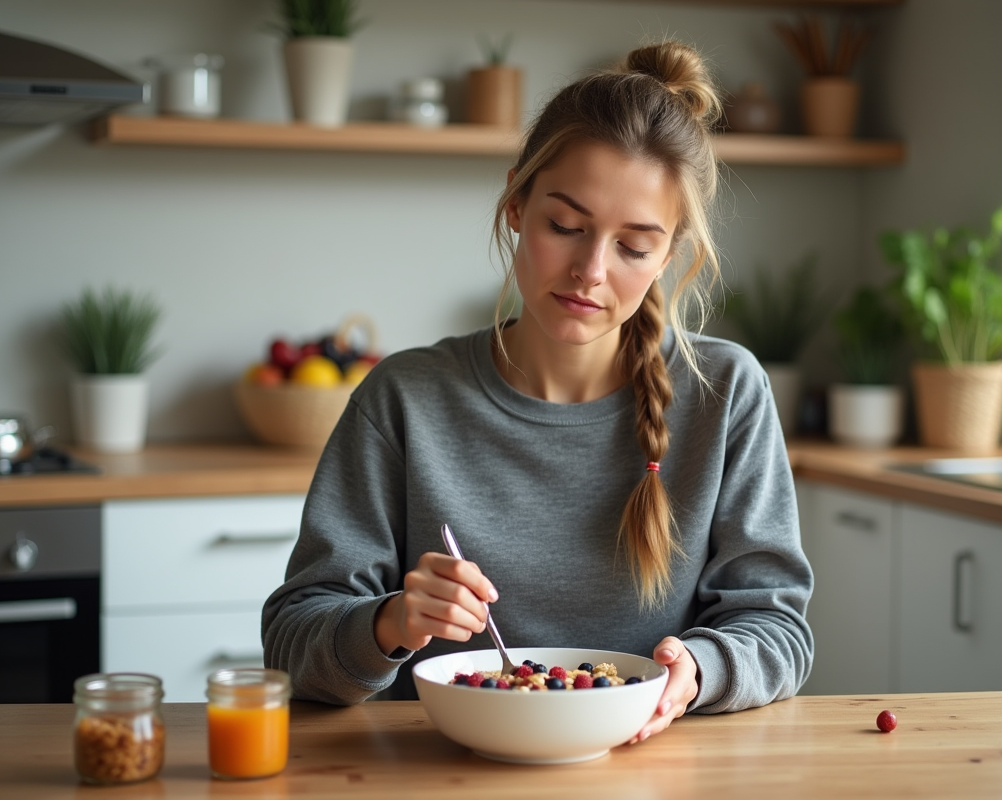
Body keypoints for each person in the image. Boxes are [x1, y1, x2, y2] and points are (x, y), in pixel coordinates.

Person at [263, 39, 813, 744]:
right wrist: (390, 621)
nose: (590, 269)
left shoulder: (727, 393)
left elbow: (778, 630)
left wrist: (699, 668)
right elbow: (291, 641)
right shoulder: (404, 399)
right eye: (566, 225)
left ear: (669, 258)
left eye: (633, 247)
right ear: (517, 202)